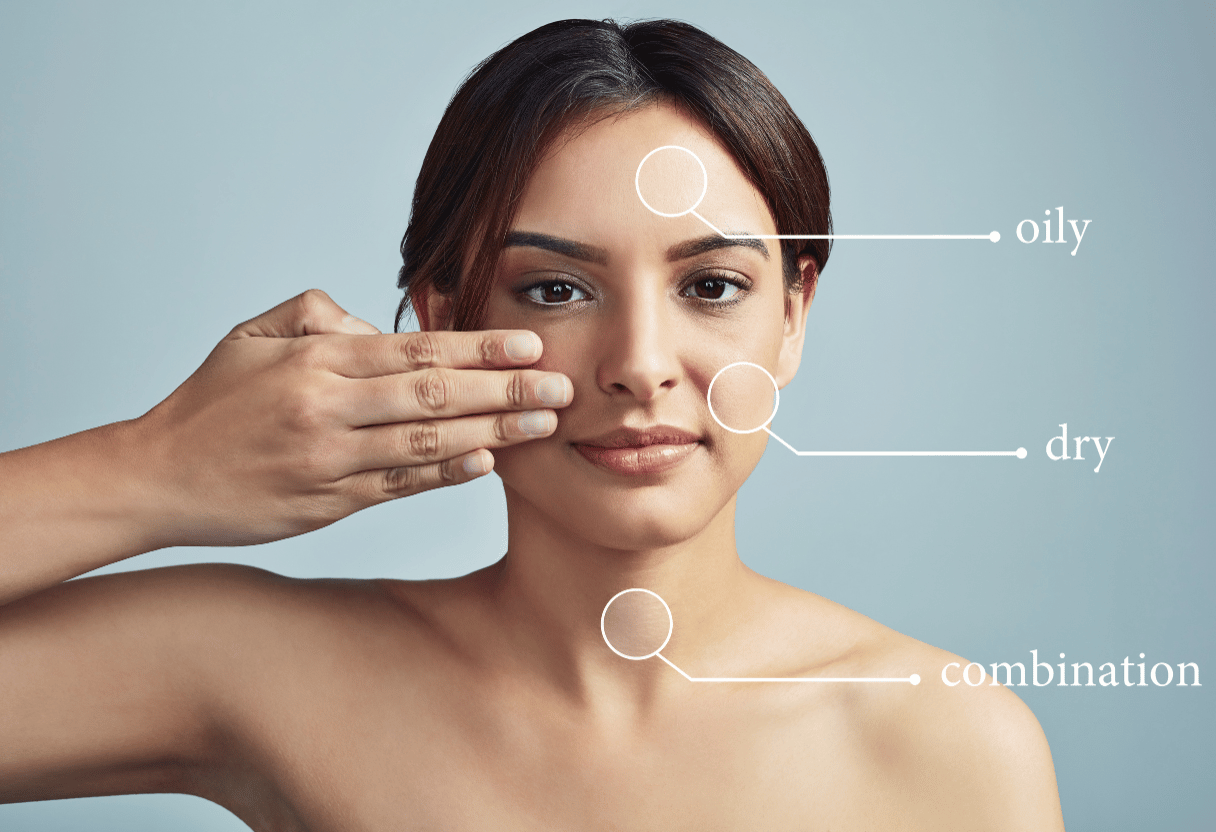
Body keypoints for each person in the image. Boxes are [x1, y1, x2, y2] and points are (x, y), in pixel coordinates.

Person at [0, 18, 1065, 831]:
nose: (641, 366)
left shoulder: (947, 742)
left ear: (793, 316)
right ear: (444, 320)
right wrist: (158, 465)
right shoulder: (266, 669)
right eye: (556, 289)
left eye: (710, 285)